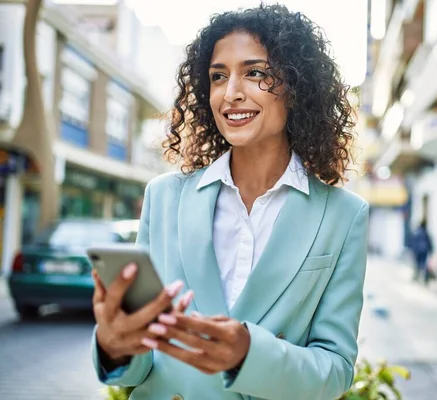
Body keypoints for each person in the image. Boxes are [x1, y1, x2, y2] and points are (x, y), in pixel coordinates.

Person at [90, 4, 369, 400]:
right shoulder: (165, 197)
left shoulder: (344, 215)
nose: (231, 93)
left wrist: (248, 355)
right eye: (218, 76)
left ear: (297, 85)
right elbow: (137, 366)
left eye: (255, 73)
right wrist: (116, 343)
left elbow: (336, 371)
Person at [410, 219, 434, 284]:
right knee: (423, 264)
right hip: (424, 251)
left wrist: (413, 251)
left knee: (417, 264)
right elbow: (429, 242)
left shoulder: (416, 232)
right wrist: (431, 250)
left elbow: (413, 243)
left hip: (418, 251)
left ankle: (417, 276)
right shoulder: (425, 232)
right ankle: (425, 278)